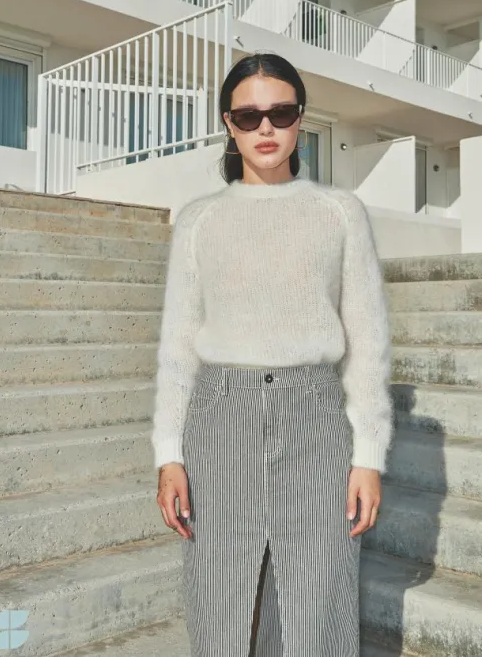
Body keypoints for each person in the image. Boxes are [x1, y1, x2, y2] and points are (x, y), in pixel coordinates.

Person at [152, 52, 394, 657]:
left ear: (300, 120)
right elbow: (178, 346)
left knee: (320, 591)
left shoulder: (340, 213)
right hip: (220, 417)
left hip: (314, 414)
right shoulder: (200, 221)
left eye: (281, 113)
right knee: (221, 593)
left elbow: (366, 343)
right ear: (228, 125)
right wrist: (168, 453)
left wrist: (368, 455)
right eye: (249, 116)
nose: (266, 128)